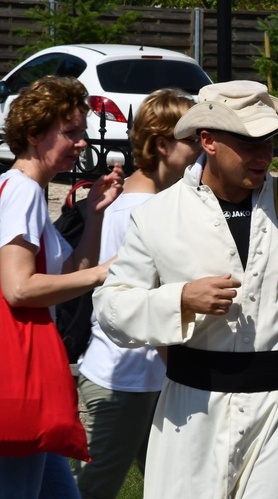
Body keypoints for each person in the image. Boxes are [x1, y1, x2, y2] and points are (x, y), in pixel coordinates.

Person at [92, 80, 278, 499]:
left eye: (269, 142)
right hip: (189, 413)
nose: (263, 155)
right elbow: (111, 307)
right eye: (248, 142)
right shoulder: (157, 216)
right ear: (208, 141)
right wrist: (181, 299)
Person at [0, 76, 123, 497]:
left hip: (24, 373)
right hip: (20, 373)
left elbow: (69, 272)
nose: (82, 142)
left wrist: (95, 215)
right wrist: (105, 272)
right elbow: (18, 289)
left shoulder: (21, 188)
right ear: (35, 135)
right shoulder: (24, 193)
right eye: (70, 132)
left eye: (83, 131)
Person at [75, 88, 200, 499]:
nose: (203, 149)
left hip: (146, 379)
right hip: (122, 382)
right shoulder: (139, 212)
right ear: (162, 145)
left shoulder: (143, 200)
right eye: (193, 139)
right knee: (92, 491)